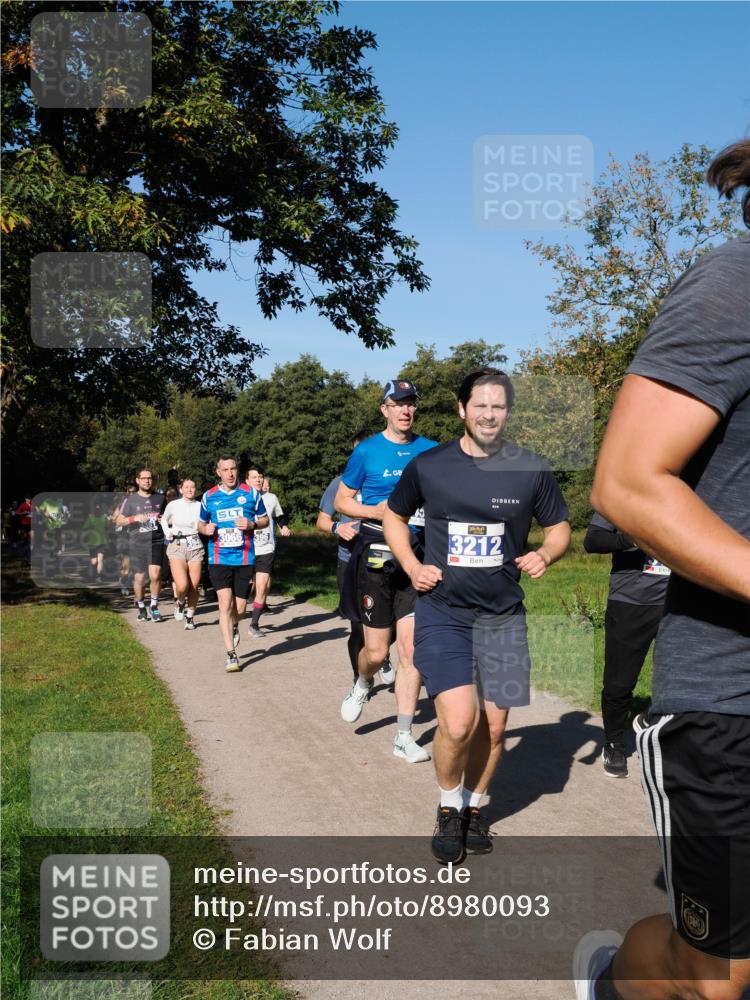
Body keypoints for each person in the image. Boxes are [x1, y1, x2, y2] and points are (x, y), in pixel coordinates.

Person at [574, 140, 750, 1000]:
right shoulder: (734, 284)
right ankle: (612, 981)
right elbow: (629, 482)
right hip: (730, 697)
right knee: (717, 980)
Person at [384, 368, 570, 862]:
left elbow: (560, 528)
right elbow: (393, 516)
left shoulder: (530, 469)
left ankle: (473, 806)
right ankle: (448, 806)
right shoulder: (430, 465)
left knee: (495, 727)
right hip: (444, 611)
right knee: (460, 723)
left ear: (508, 413)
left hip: (504, 615)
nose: (490, 414)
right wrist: (410, 564)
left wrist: (546, 554)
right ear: (462, 409)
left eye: (499, 406)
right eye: (481, 405)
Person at [335, 379, 438, 764]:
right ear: (384, 409)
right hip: (376, 557)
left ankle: (403, 735)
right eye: (398, 404)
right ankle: (362, 682)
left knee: (411, 650)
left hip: (415, 558)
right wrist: (380, 511)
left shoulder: (431, 451)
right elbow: (344, 500)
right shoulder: (366, 452)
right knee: (377, 652)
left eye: (410, 404)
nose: (405, 410)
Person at [583, 513, 668, 777]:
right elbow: (592, 540)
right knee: (620, 682)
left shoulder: (693, 492)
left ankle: (656, 724)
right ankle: (614, 743)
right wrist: (630, 539)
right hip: (631, 602)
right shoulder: (623, 495)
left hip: (679, 604)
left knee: (681, 679)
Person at [317, 431, 396, 685]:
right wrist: (337, 528)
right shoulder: (339, 483)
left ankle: (380, 653)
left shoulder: (388, 481)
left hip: (382, 557)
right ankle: (359, 678)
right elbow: (322, 521)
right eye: (358, 452)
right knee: (357, 625)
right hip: (349, 559)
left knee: (393, 621)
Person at [198, 454, 268, 672]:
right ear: (218, 472)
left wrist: (251, 524)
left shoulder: (251, 493)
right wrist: (205, 529)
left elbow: (265, 520)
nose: (230, 473)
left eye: (233, 469)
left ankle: (235, 624)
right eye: (225, 469)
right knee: (224, 603)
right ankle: (231, 655)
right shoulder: (209, 497)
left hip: (244, 557)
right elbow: (200, 524)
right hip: (218, 556)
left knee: (239, 608)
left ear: (237, 471)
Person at [245, 469, 291, 637]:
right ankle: (235, 619)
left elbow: (279, 516)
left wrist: (284, 526)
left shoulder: (271, 498)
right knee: (243, 594)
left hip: (266, 547)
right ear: (247, 480)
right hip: (246, 548)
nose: (258, 480)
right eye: (254, 477)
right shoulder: (241, 497)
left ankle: (254, 624)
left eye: (260, 477)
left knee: (262, 586)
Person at [116, 469, 166, 622]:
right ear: (137, 481)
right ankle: (141, 606)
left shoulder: (160, 498)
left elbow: (167, 517)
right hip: (137, 543)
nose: (147, 481)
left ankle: (154, 606)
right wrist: (134, 518)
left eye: (149, 478)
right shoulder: (130, 500)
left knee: (155, 574)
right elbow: (118, 520)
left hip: (155, 540)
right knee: (140, 578)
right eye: (144, 478)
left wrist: (163, 519)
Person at [161, 477, 203, 630]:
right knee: (182, 585)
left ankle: (190, 617)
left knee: (194, 585)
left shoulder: (200, 505)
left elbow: (206, 522)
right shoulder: (174, 504)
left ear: (195, 489)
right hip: (177, 545)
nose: (190, 490)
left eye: (192, 487)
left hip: (195, 546)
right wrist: (168, 533)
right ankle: (179, 602)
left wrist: (200, 525)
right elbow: (164, 520)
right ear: (181, 489)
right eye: (186, 487)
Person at [113, 484, 137, 596]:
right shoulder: (122, 504)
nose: (132, 493)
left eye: (134, 491)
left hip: (136, 536)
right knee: (126, 565)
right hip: (124, 536)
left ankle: (126, 582)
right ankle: (124, 584)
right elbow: (114, 519)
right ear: (127, 492)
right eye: (130, 491)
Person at [82, 503, 110, 583]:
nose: (97, 510)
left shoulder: (104, 517)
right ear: (94, 510)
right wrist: (90, 527)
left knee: (100, 559)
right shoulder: (91, 518)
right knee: (94, 562)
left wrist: (109, 521)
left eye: (99, 509)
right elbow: (84, 528)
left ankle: (98, 577)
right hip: (92, 543)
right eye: (96, 509)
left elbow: (108, 527)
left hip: (102, 542)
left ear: (100, 510)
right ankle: (91, 575)